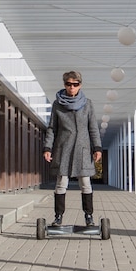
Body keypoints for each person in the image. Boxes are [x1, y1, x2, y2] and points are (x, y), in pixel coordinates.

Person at [43, 71, 103, 227]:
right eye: (69, 84)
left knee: (85, 184)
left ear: (80, 85)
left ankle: (89, 216)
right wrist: (47, 147)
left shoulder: (88, 104)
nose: (72, 87)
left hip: (82, 149)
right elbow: (52, 128)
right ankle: (58, 217)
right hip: (63, 149)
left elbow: (93, 128)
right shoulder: (57, 104)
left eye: (75, 84)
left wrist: (97, 148)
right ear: (64, 85)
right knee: (61, 183)